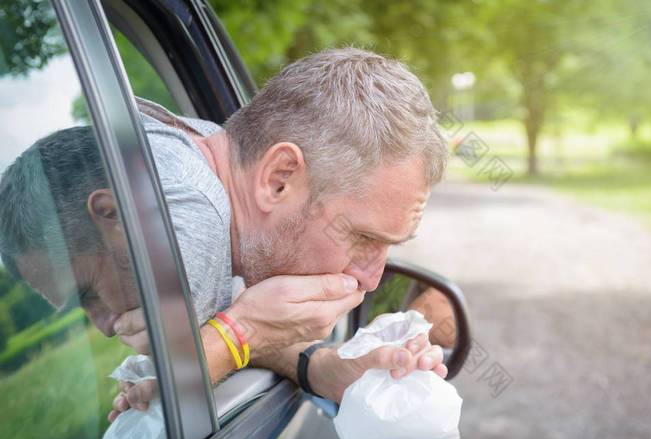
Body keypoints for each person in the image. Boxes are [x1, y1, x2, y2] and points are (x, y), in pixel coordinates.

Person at [0, 47, 449, 419]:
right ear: (278, 178)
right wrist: (244, 329)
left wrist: (322, 366)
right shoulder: (196, 209)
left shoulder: (200, 165)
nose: (371, 279)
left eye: (89, 292)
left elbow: (207, 336)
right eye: (362, 238)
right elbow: (173, 382)